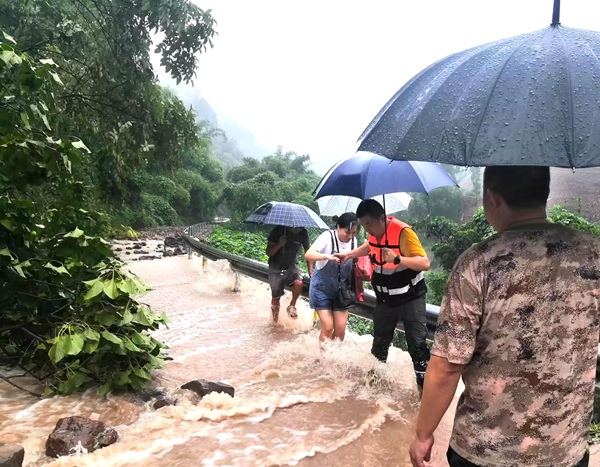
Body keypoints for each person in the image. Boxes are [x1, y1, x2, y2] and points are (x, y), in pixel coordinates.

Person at [409, 166, 600, 467]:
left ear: (492, 198)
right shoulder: (593, 253)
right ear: (544, 193)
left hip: (486, 453)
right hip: (565, 450)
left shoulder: (478, 262)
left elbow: (447, 367)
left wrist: (423, 434)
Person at [336, 199, 431, 390]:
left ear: (382, 218)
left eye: (369, 224)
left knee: (417, 345)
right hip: (386, 299)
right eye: (364, 226)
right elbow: (369, 246)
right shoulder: (373, 234)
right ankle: (374, 390)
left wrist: (398, 259)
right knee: (379, 343)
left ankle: (424, 392)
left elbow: (424, 263)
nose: (367, 229)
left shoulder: (403, 232)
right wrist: (349, 255)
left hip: (410, 297)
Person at [304, 213, 359, 341]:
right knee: (328, 327)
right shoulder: (327, 237)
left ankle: (333, 359)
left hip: (341, 291)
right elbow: (308, 254)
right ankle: (322, 359)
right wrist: (327, 256)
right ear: (338, 227)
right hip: (321, 289)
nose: (350, 236)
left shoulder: (353, 241)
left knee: (340, 330)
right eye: (347, 232)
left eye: (354, 233)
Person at [266, 225, 311, 323]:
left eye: (299, 228)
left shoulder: (303, 233)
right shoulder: (278, 230)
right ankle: (275, 322)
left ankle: (292, 305)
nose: (297, 230)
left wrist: (310, 271)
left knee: (299, 283)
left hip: (291, 265)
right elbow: (269, 252)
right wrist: (279, 244)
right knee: (276, 297)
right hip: (275, 265)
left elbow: (308, 252)